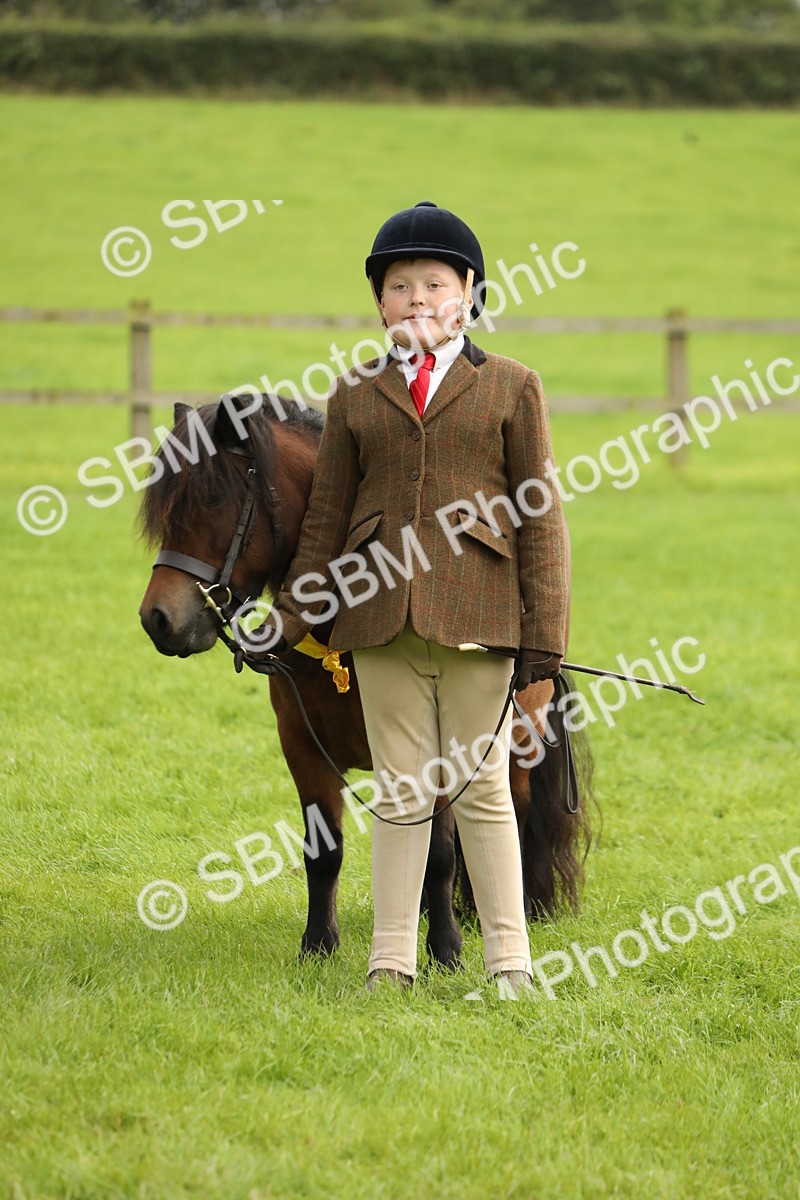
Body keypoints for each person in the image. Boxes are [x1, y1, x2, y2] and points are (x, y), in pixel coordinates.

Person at [252, 201, 569, 999]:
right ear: (379, 303)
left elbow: (541, 515)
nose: (416, 298)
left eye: (434, 283)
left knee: (481, 790)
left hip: (480, 621)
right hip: (379, 623)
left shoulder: (512, 386)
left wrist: (545, 635)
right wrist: (286, 620)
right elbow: (324, 523)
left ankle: (510, 964)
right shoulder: (354, 395)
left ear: (469, 294)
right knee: (399, 794)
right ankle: (389, 962)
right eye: (399, 286)